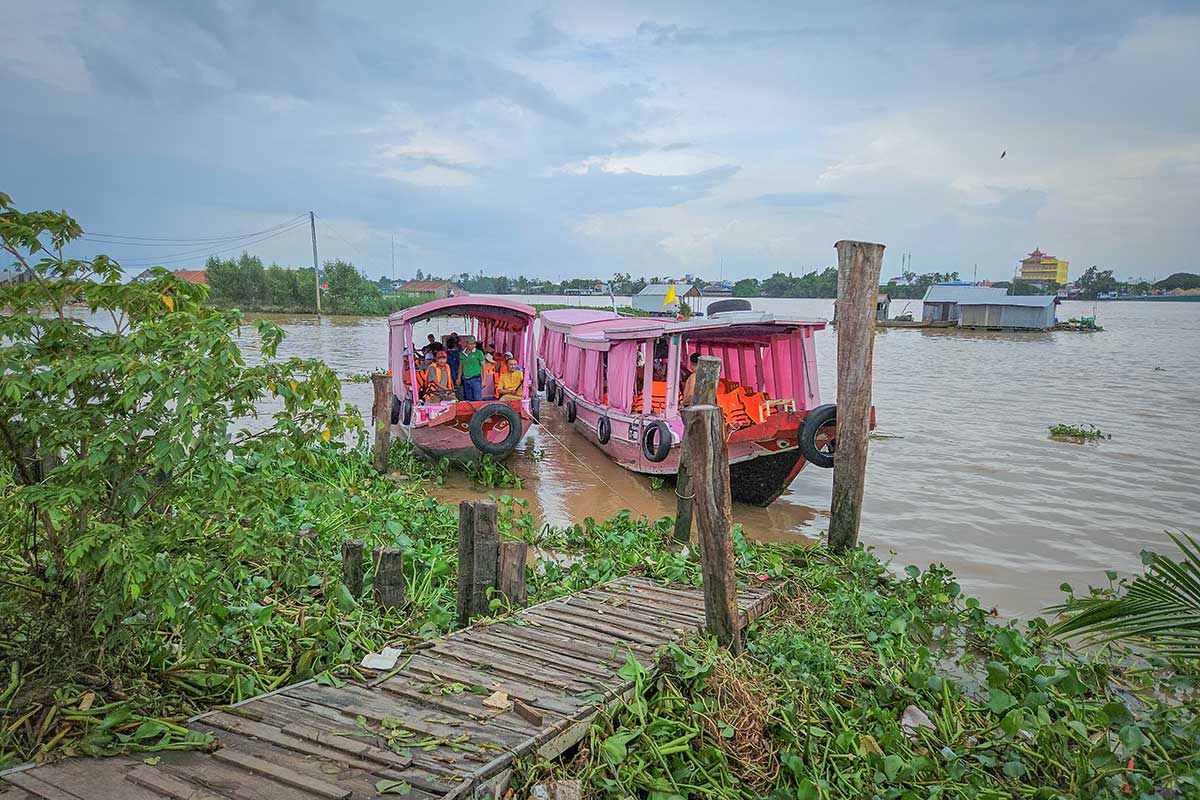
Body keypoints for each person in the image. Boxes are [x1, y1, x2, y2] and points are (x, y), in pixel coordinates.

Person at [457, 336, 486, 401]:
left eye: (474, 344)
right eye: (471, 344)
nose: (473, 346)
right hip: (466, 379)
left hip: (476, 379)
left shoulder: (479, 353)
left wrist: (483, 380)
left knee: (478, 398)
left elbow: (483, 367)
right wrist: (459, 378)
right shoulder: (462, 353)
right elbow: (460, 366)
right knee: (468, 398)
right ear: (466, 344)